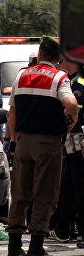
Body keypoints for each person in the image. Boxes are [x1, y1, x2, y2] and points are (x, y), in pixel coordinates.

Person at [5, 36, 79, 256]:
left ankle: (14, 247)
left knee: (20, 194)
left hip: (23, 142)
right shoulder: (59, 77)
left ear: (39, 54)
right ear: (59, 59)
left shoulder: (21, 75)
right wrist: (73, 116)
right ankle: (36, 247)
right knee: (45, 194)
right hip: (48, 144)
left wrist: (14, 141)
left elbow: (12, 115)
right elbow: (72, 104)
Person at [48, 57, 84, 245]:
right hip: (73, 142)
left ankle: (74, 231)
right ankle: (63, 228)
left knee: (78, 187)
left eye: (61, 61)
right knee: (69, 185)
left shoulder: (76, 83)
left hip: (79, 141)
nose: (58, 65)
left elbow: (72, 111)